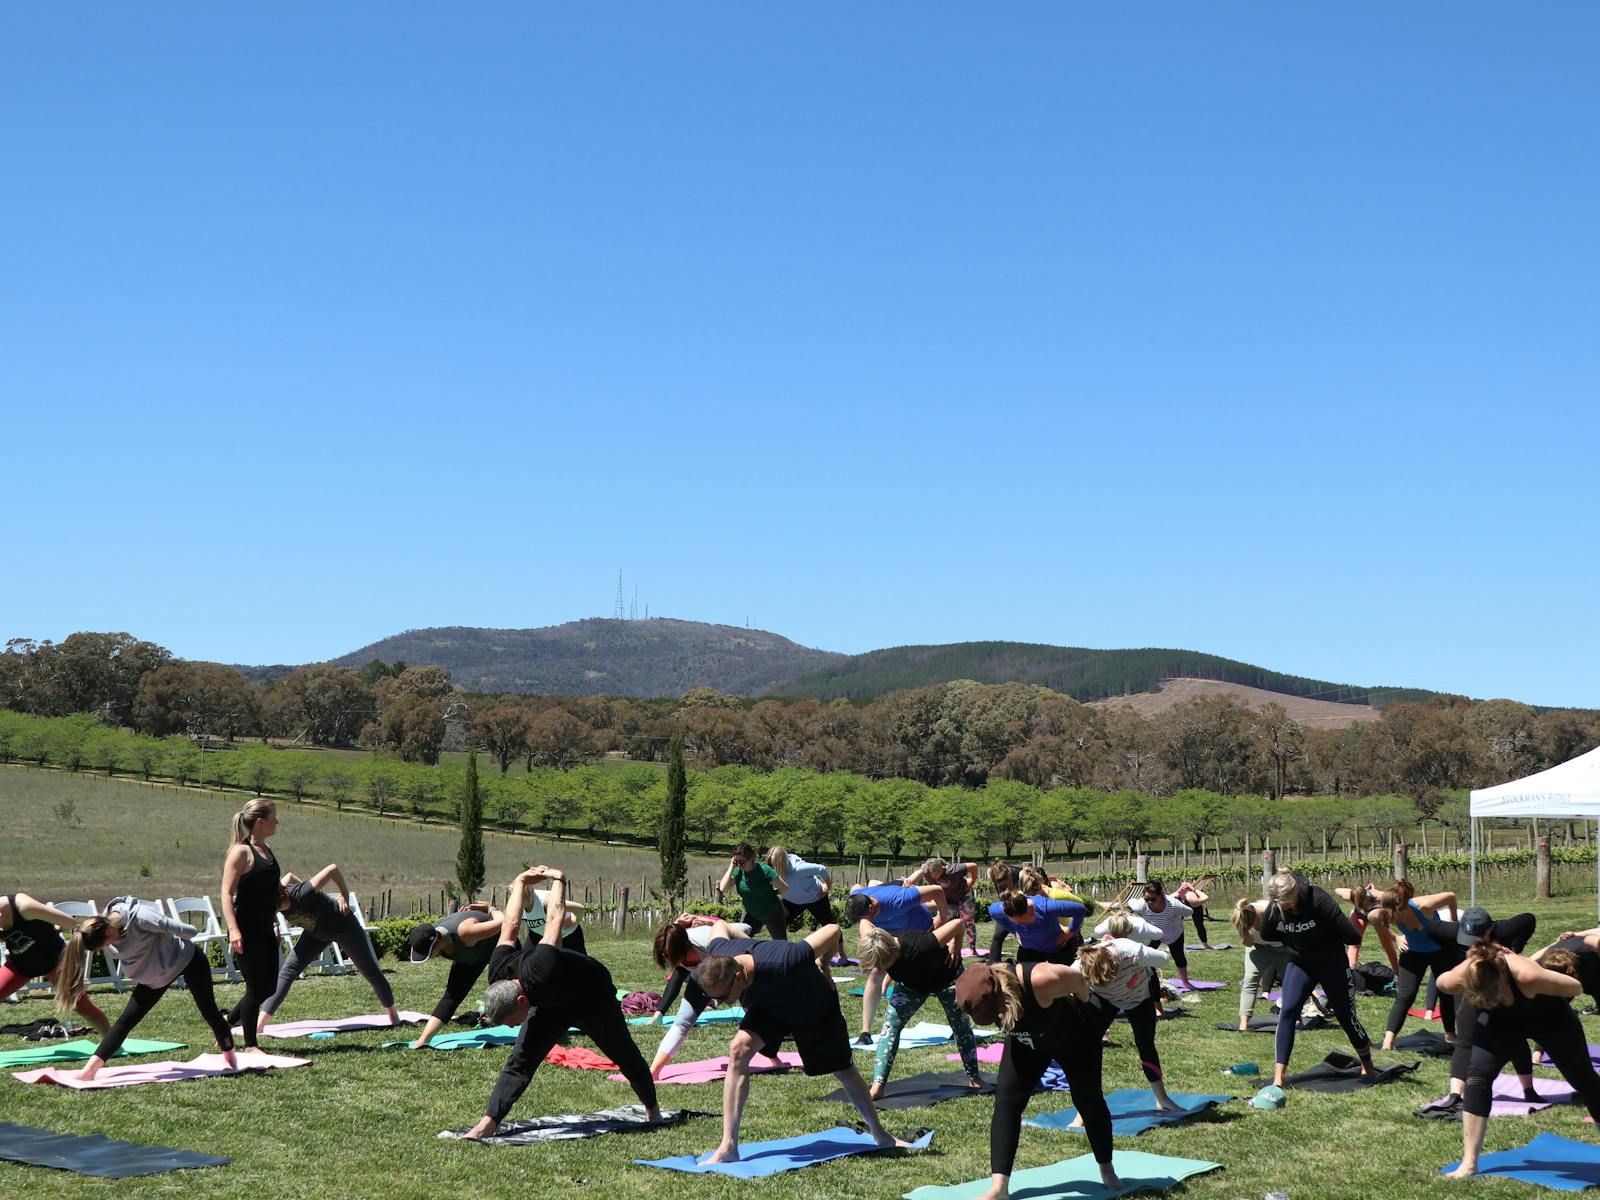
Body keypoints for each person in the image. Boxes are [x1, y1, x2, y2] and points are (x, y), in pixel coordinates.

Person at [460, 866, 659, 1139]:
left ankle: (653, 1110)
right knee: (520, 1060)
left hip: (592, 997)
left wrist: (559, 880)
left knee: (623, 1052)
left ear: (521, 1001)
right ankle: (488, 1123)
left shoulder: (542, 968)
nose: (513, 1026)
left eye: (512, 1021)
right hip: (550, 1005)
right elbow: (510, 925)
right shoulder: (498, 973)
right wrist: (519, 882)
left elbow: (554, 919)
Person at [692, 918, 906, 1164]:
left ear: (738, 976)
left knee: (843, 1069)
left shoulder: (788, 959)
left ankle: (881, 1135)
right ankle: (728, 1146)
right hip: (769, 1005)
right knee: (738, 1049)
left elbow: (833, 929)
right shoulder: (721, 952)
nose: (721, 1003)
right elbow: (722, 925)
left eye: (723, 996)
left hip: (812, 1004)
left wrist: (824, 961)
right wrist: (752, 942)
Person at [1438, 936, 1600, 1179]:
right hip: (1500, 1024)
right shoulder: (1460, 977)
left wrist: (1554, 989)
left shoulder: (1527, 974)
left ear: (1502, 978)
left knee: (1585, 1080)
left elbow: (1575, 987)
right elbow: (1442, 982)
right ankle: (1469, 1162)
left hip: (1550, 1019)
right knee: (1478, 1077)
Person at [955, 960, 1119, 1199]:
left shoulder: (1041, 979)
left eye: (996, 1011)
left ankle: (1107, 1170)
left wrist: (1086, 1015)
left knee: (1088, 1101)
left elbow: (1080, 983)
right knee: (1006, 1104)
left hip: (1074, 1038)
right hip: (1026, 1043)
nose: (997, 1017)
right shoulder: (980, 987)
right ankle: (999, 1188)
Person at [55, 897, 236, 1081]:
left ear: (109, 931)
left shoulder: (143, 918)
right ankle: (89, 1071)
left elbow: (191, 931)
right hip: (155, 976)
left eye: (105, 944)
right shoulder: (104, 929)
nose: (108, 947)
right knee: (125, 1021)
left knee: (209, 1010)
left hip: (188, 960)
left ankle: (231, 1061)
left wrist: (164, 928)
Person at [1258, 869, 1373, 1088]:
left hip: (1332, 963)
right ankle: (1278, 1078)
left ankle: (1367, 1064)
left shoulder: (1318, 899)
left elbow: (1351, 936)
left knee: (1345, 1016)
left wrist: (1322, 935)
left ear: (1294, 896)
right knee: (1288, 1011)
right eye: (1279, 906)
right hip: (1301, 962)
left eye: (1286, 905)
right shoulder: (1276, 907)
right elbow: (1267, 934)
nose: (1283, 910)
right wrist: (1292, 938)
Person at [257, 863, 398, 1033]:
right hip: (315, 933)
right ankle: (260, 1026)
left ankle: (394, 1017)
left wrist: (343, 895)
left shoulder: (303, 892)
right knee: (288, 971)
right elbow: (289, 876)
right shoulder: (276, 899)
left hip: (343, 926)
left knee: (369, 970)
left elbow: (333, 869)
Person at [647, 913, 786, 1080]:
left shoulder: (707, 941)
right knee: (683, 1021)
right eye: (665, 957)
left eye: (671, 956)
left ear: (685, 947)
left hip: (733, 972)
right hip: (703, 977)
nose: (669, 960)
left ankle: (773, 1058)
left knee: (756, 1015)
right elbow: (675, 981)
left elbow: (745, 945)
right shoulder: (674, 947)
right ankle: (654, 1071)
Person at [1431, 908, 1542, 1115]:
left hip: (1503, 991)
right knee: (1465, 1038)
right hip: (1471, 988)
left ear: (1490, 931)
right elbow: (1425, 925)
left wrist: (1516, 947)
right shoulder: (1451, 932)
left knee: (1515, 1038)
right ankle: (1455, 1094)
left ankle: (1528, 1089)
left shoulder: (1503, 930)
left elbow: (1529, 918)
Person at [858, 919, 983, 1099]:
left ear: (892, 954)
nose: (878, 969)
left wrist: (956, 947)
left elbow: (957, 924)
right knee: (890, 1026)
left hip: (946, 978)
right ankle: (878, 1085)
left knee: (960, 1024)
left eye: (881, 965)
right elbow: (864, 922)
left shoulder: (922, 945)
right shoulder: (879, 945)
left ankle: (974, 1076)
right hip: (912, 985)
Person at [1076, 913, 1181, 1115]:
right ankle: (1083, 1110)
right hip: (1105, 1001)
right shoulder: (1083, 963)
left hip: (1138, 1000)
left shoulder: (1129, 949)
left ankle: (1162, 1099)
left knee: (1146, 1045)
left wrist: (1142, 956)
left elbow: (1164, 959)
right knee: (1087, 1049)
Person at [844, 880, 950, 1045]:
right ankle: (865, 1032)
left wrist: (942, 918)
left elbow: (938, 889)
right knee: (875, 972)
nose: (867, 921)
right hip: (893, 936)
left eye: (868, 917)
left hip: (921, 932)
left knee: (940, 975)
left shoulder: (898, 898)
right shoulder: (858, 901)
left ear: (872, 907)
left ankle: (958, 1024)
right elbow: (855, 887)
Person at [219, 798, 282, 1053]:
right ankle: (249, 1045)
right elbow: (226, 893)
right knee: (254, 988)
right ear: (260, 822)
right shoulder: (241, 852)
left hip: (266, 927)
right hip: (246, 929)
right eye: (273, 818)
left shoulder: (266, 850)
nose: (277, 822)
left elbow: (270, 893)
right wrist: (233, 930)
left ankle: (228, 1022)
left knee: (269, 987)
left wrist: (276, 922)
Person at [1369, 880, 1461, 1049]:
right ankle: (1388, 1041)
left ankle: (1450, 1035)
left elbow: (1451, 897)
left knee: (1446, 991)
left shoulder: (1424, 906)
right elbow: (1372, 918)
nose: (1395, 919)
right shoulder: (1389, 911)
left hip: (1441, 949)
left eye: (1397, 916)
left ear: (1405, 906)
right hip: (1414, 952)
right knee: (1405, 995)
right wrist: (1395, 937)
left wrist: (1454, 921)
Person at [0, 893, 109, 1034]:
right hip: (21, 964)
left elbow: (69, 922)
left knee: (84, 1007)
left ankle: (112, 1042)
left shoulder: (24, 906)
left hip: (55, 961)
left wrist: (53, 930)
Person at [404, 901, 507, 1048]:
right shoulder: (437, 938)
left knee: (508, 990)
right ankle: (424, 1039)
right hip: (471, 957)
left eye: (430, 953)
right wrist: (422, 1042)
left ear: (438, 940)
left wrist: (490, 908)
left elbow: (504, 921)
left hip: (499, 947)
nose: (431, 957)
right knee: (452, 996)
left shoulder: (465, 932)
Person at [1232, 898, 1292, 1031]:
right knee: (1250, 980)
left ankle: (1296, 1018)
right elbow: (1248, 943)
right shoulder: (1241, 917)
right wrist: (1245, 933)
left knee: (1291, 983)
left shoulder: (1273, 911)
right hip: (1258, 948)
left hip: (1284, 949)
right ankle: (1244, 1024)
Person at [986, 890, 1086, 965]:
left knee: (1065, 986)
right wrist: (1013, 930)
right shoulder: (1000, 909)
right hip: (1029, 950)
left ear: (1027, 910)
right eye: (1014, 921)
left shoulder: (1046, 907)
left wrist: (1070, 931)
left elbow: (1079, 909)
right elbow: (992, 912)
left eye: (1021, 920)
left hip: (1056, 948)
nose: (1018, 923)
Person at [1127, 881, 1196, 990]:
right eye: (1147, 899)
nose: (1150, 902)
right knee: (1145, 956)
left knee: (1178, 956)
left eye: (1153, 899)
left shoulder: (1173, 905)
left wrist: (1178, 915)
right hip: (1153, 934)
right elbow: (1131, 901)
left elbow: (1190, 911)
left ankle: (1185, 982)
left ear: (1161, 895)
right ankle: (1144, 981)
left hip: (1174, 933)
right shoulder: (1141, 906)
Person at [904, 858, 980, 955]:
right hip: (947, 898)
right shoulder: (928, 871)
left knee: (968, 921)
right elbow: (923, 869)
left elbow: (974, 865)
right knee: (943, 920)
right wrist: (909, 881)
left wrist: (972, 881)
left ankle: (972, 948)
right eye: (931, 874)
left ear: (942, 868)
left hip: (964, 895)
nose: (933, 876)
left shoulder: (953, 870)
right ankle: (943, 946)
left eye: (934, 873)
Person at [716, 844, 790, 941]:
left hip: (772, 912)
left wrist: (773, 893)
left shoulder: (765, 870)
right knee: (739, 941)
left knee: (781, 944)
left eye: (741, 862)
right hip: (750, 913)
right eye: (736, 861)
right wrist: (731, 866)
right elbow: (723, 888)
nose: (738, 864)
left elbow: (784, 888)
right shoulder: (738, 872)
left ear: (751, 858)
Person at [1331, 884, 1399, 973]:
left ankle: (1397, 972)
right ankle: (1350, 972)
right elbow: (1337, 889)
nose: (1363, 907)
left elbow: (1398, 899)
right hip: (1358, 916)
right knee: (1354, 943)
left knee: (1387, 945)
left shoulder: (1379, 896)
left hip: (1377, 917)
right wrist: (1354, 891)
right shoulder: (1350, 896)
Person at [767, 847, 834, 932]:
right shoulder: (775, 870)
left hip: (815, 898)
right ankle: (780, 945)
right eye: (770, 864)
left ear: (781, 862)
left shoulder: (799, 868)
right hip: (792, 901)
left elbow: (821, 869)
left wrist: (828, 887)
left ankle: (840, 945)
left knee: (830, 926)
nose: (771, 868)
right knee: (778, 925)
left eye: (773, 864)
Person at [1173, 875, 1216, 950]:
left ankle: (1205, 945)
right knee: (1177, 926)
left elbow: (1205, 897)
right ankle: (1172, 945)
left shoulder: (1195, 901)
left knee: (1199, 925)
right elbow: (1167, 897)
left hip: (1192, 900)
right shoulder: (1178, 898)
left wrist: (1193, 889)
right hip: (1182, 902)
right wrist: (1180, 890)